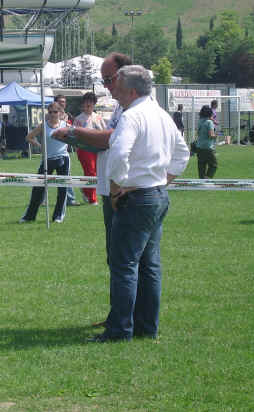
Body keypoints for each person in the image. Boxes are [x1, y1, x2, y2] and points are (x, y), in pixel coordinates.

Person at [89, 65, 190, 342]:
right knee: (149, 265)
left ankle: (120, 330)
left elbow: (119, 154)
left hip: (137, 198)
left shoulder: (131, 117)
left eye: (118, 88)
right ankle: (147, 327)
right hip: (157, 195)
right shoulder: (161, 115)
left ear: (132, 91)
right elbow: (182, 153)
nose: (114, 93)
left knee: (124, 265)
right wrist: (163, 179)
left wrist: (116, 184)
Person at [53, 52, 132, 327]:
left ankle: (124, 321)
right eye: (104, 80)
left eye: (109, 79)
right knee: (118, 259)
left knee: (124, 262)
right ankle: (123, 317)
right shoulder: (121, 108)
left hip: (126, 192)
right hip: (113, 190)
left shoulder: (134, 110)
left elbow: (111, 140)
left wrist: (74, 134)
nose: (107, 85)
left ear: (125, 76)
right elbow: (104, 144)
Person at [20, 102, 69, 223]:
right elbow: (29, 137)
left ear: (60, 113)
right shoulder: (43, 125)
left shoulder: (65, 125)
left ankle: (58, 216)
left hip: (63, 158)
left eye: (55, 112)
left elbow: (73, 137)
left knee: (62, 188)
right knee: (38, 188)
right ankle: (29, 216)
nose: (53, 114)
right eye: (50, 112)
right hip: (47, 159)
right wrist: (39, 145)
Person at [73, 92, 105, 206]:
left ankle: (85, 189)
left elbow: (103, 132)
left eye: (91, 102)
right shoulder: (78, 119)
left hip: (97, 148)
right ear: (83, 103)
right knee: (90, 172)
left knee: (96, 172)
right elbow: (74, 134)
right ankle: (92, 199)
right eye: (86, 102)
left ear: (94, 104)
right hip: (84, 149)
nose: (88, 105)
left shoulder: (98, 117)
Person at [55, 94, 80, 207]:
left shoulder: (67, 116)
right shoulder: (50, 114)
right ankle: (41, 200)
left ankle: (70, 199)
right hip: (50, 150)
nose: (62, 104)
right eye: (60, 101)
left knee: (66, 175)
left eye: (64, 102)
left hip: (63, 150)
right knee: (44, 176)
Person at [196, 105, 218, 179]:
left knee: (201, 165)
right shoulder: (209, 122)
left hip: (199, 147)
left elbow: (198, 133)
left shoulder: (200, 121)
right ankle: (207, 178)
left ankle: (201, 181)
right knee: (214, 165)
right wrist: (216, 135)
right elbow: (211, 135)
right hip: (208, 147)